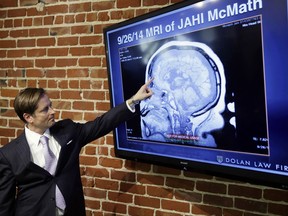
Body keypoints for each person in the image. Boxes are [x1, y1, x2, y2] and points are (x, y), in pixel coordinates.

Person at [0, 80, 153, 216]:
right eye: (45, 109)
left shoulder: (68, 131)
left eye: (51, 105)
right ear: (28, 117)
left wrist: (133, 101)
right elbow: (4, 205)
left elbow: (101, 124)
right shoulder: (9, 154)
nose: (53, 111)